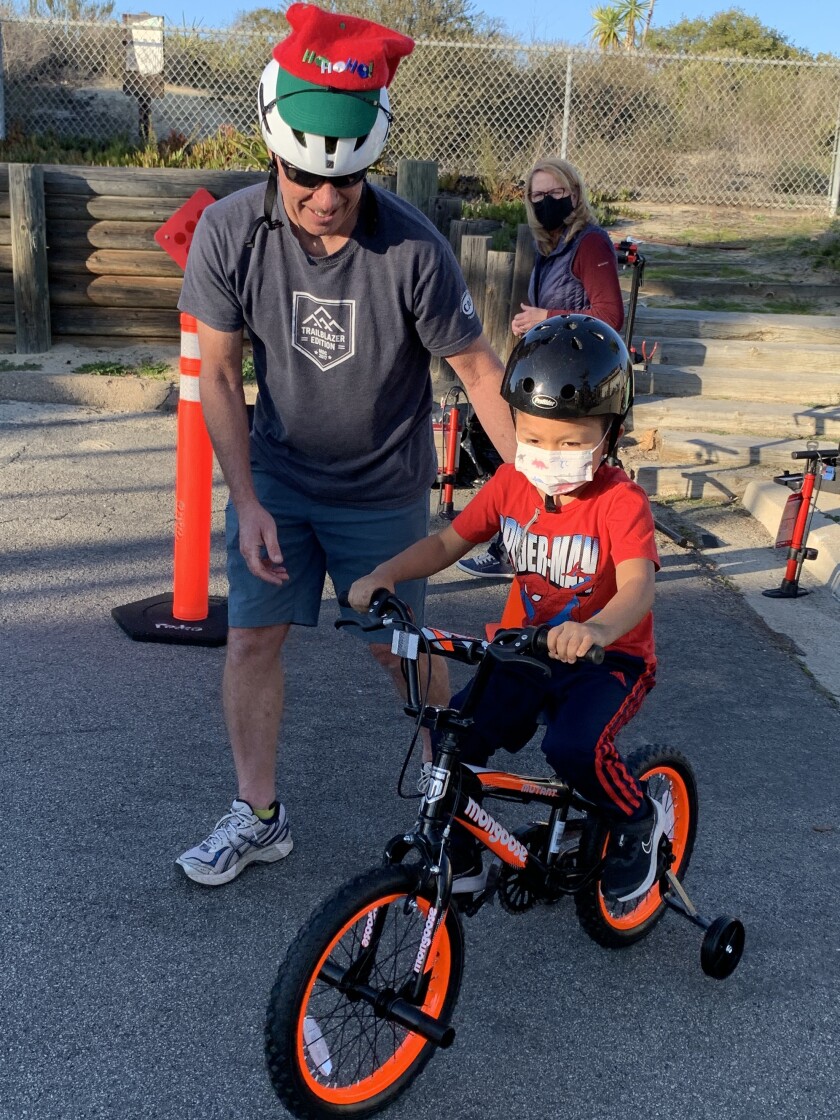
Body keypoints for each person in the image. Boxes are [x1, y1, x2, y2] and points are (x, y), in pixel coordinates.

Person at [174, 2, 516, 886]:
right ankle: (257, 814)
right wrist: (246, 501)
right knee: (251, 642)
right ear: (274, 151)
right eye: (304, 182)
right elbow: (216, 375)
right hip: (279, 480)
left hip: (382, 490)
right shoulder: (227, 233)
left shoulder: (412, 246)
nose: (327, 202)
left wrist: (539, 487)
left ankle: (459, 809)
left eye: (347, 186)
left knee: (401, 655)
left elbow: (479, 370)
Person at [350, 314, 664, 903]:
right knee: (454, 738)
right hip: (523, 651)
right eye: (535, 438)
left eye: (572, 442)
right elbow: (448, 542)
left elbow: (638, 589)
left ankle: (636, 822)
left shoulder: (621, 503)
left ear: (610, 435)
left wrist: (594, 628)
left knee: (573, 748)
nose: (550, 455)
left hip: (607, 657)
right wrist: (386, 574)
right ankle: (466, 857)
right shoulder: (510, 484)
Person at [458, 157, 624, 580]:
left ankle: (527, 550)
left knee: (553, 468)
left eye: (555, 193)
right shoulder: (549, 247)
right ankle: (522, 547)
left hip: (580, 382)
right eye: (537, 196)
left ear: (574, 193)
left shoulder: (590, 243)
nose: (546, 202)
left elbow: (610, 314)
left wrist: (546, 316)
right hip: (550, 373)